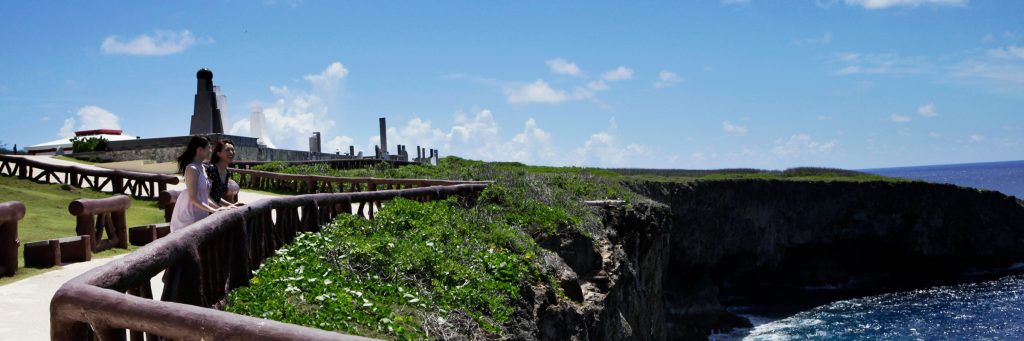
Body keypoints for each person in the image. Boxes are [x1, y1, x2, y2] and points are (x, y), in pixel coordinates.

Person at [169, 136, 225, 231]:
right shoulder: (192, 169)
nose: (211, 150)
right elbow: (193, 198)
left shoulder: (202, 168)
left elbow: (205, 197)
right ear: (200, 150)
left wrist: (220, 209)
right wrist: (214, 210)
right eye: (209, 148)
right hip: (189, 218)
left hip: (199, 216)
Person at [206, 139, 244, 207]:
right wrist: (228, 207)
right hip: (210, 208)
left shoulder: (227, 172)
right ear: (219, 153)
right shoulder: (212, 169)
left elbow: (217, 197)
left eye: (232, 150)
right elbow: (209, 195)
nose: (231, 152)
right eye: (227, 150)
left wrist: (232, 205)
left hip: (219, 207)